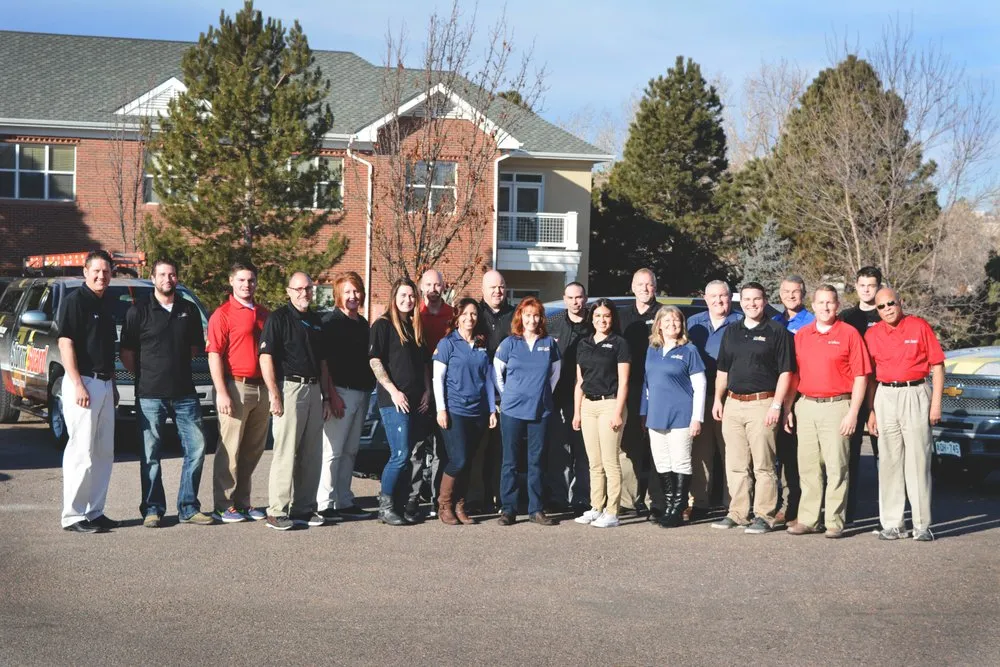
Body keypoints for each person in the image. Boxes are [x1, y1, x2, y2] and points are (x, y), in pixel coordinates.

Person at [120, 258, 214, 527]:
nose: (167, 279)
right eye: (162, 274)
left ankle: (188, 507)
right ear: (152, 278)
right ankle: (152, 509)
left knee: (197, 448)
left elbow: (195, 348)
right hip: (150, 394)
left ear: (177, 278)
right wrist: (146, 375)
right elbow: (126, 353)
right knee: (150, 454)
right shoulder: (137, 312)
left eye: (172, 275)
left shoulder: (188, 310)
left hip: (185, 392)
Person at [785, 285, 870, 538]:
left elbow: (861, 376)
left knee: (837, 467)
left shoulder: (849, 334)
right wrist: (789, 406)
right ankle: (809, 518)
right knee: (808, 467)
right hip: (807, 405)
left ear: (837, 305)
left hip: (837, 406)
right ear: (813, 305)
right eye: (820, 302)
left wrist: (853, 413)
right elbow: (794, 374)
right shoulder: (802, 334)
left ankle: (834, 521)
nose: (825, 307)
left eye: (830, 302)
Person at [711, 282, 795, 534]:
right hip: (733, 403)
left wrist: (777, 405)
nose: (751, 304)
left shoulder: (777, 331)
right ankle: (738, 513)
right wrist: (718, 399)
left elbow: (786, 372)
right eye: (746, 299)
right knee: (736, 464)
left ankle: (764, 515)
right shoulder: (732, 331)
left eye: (756, 299)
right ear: (741, 302)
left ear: (765, 300)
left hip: (763, 403)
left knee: (763, 464)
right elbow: (722, 370)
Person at [865, 288, 944, 542]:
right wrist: (871, 411)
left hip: (915, 393)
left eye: (891, 303)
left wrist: (935, 404)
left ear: (900, 303)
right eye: (881, 306)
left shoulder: (919, 326)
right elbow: (869, 377)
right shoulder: (872, 334)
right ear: (876, 310)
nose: (887, 308)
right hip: (885, 395)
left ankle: (922, 525)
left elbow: (938, 367)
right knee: (889, 461)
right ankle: (893, 523)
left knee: (918, 461)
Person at [259, 271, 332, 531]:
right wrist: (274, 394)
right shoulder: (278, 319)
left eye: (308, 289)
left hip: (313, 390)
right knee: (286, 451)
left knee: (311, 453)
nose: (304, 293)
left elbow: (323, 362)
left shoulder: (316, 320)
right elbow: (265, 357)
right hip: (289, 388)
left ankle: (303, 508)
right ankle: (277, 510)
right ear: (289, 291)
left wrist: (325, 397)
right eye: (299, 289)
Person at [58, 250, 119, 533]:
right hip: (83, 383)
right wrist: (78, 384)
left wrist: (113, 386)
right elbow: (65, 344)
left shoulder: (107, 303)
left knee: (103, 452)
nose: (101, 276)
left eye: (106, 272)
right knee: (81, 452)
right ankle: (73, 515)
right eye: (96, 271)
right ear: (85, 272)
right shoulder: (75, 302)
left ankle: (95, 511)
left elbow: (107, 349)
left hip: (105, 384)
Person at [207, 262, 270, 524]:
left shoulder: (264, 314)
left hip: (262, 387)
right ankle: (223, 504)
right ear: (231, 281)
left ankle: (242, 502)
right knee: (230, 448)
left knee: (252, 449)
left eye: (251, 280)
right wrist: (222, 391)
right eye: (242, 280)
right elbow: (214, 355)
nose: (247, 285)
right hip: (235, 386)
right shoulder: (222, 314)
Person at [369, 278, 432, 526]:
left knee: (410, 456)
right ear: (394, 297)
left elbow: (424, 364)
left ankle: (401, 504)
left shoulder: (415, 327)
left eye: (411, 296)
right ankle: (385, 507)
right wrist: (393, 391)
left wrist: (428, 390)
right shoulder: (383, 325)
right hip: (394, 401)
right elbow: (375, 361)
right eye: (403, 295)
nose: (408, 300)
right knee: (400, 454)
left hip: (418, 401)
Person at [494, 296, 561, 526]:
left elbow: (555, 375)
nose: (531, 319)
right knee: (510, 461)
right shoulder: (509, 344)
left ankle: (536, 509)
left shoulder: (549, 344)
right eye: (527, 314)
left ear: (540, 318)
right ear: (520, 317)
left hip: (540, 411)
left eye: (535, 315)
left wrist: (540, 394)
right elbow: (497, 375)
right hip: (512, 410)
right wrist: (509, 397)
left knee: (537, 461)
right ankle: (508, 509)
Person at [317, 271, 376, 521]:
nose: (353, 296)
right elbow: (324, 363)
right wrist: (331, 395)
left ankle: (343, 499)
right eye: (347, 292)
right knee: (332, 450)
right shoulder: (330, 323)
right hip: (340, 392)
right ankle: (324, 502)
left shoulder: (363, 324)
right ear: (338, 295)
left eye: (356, 291)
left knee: (351, 450)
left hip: (361, 392)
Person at [432, 297, 498, 525]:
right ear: (457, 317)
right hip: (455, 410)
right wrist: (441, 409)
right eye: (465, 314)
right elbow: (437, 379)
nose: (470, 318)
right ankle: (444, 504)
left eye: (473, 314)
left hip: (478, 411)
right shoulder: (447, 343)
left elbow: (488, 379)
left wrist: (491, 409)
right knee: (458, 458)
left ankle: (461, 505)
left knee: (469, 460)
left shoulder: (481, 343)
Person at [641, 306, 706, 528]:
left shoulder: (690, 350)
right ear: (658, 324)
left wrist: (697, 418)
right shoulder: (652, 350)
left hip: (681, 415)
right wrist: (645, 413)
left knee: (681, 461)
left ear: (682, 325)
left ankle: (678, 509)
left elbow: (700, 385)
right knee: (661, 461)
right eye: (666, 321)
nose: (672, 325)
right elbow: (647, 385)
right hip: (656, 415)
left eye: (676, 321)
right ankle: (668, 506)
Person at [687, 280, 743, 519]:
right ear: (705, 298)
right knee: (701, 452)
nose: (719, 300)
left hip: (731, 396)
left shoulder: (740, 322)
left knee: (731, 451)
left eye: (723, 296)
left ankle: (733, 504)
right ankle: (699, 502)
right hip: (700, 396)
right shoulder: (693, 323)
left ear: (730, 298)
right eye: (714, 296)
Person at [572, 298, 629, 528]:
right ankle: (596, 507)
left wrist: (617, 412)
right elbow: (580, 381)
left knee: (610, 461)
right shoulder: (583, 343)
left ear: (612, 318)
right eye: (597, 316)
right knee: (594, 462)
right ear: (591, 318)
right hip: (588, 406)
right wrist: (577, 412)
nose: (602, 320)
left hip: (610, 405)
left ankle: (612, 511)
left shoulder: (619, 343)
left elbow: (624, 382)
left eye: (606, 316)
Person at [407, 269, 454, 520]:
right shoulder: (414, 315)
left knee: (441, 449)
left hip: (446, 391)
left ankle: (438, 499)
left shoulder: (452, 315)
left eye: (437, 284)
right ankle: (413, 498)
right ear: (421, 287)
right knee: (415, 449)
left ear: (443, 286)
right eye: (428, 284)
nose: (433, 289)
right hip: (420, 391)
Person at [467, 269, 514, 512]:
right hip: (478, 393)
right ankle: (476, 499)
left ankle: (500, 498)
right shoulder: (474, 315)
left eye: (501, 286)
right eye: (493, 287)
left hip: (507, 394)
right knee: (478, 449)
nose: (498, 291)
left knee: (503, 451)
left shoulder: (514, 315)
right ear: (483, 290)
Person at [839, 266, 883, 523]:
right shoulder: (846, 317)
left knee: (884, 456)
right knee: (849, 454)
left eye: (871, 285)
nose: (866, 289)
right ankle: (848, 510)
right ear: (856, 287)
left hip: (882, 392)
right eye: (862, 285)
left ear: (878, 287)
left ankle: (889, 514)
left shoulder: (886, 314)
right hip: (853, 392)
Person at [618, 268, 663, 518]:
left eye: (649, 284)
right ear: (632, 287)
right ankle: (629, 500)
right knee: (629, 447)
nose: (645, 288)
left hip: (659, 390)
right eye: (640, 284)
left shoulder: (664, 314)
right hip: (630, 389)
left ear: (655, 287)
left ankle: (655, 500)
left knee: (657, 446)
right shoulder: (623, 316)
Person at [770, 275, 815, 527]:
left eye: (795, 291)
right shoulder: (774, 321)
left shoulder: (811, 322)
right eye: (786, 291)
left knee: (795, 456)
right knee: (775, 455)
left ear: (803, 293)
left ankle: (795, 506)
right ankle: (778, 504)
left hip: (798, 394)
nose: (790, 295)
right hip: (774, 393)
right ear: (780, 293)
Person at [546, 281, 592, 513]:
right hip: (559, 396)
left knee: (584, 451)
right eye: (571, 298)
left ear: (585, 298)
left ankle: (582, 498)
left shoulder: (595, 323)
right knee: (560, 450)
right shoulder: (552, 323)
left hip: (589, 397)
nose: (576, 302)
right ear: (565, 299)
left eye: (580, 297)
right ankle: (558, 497)